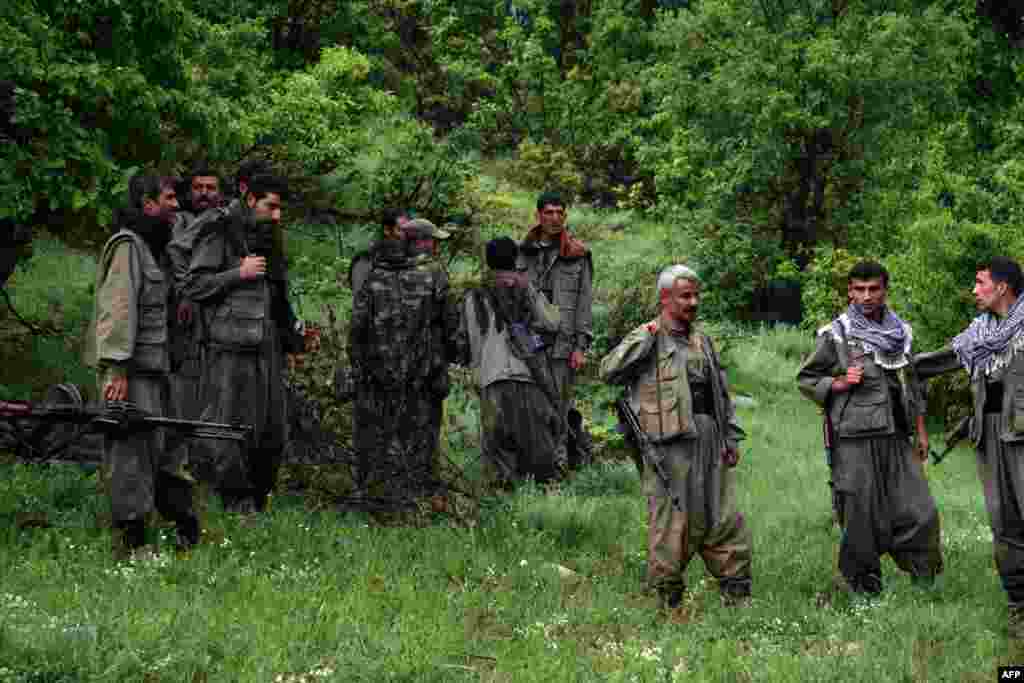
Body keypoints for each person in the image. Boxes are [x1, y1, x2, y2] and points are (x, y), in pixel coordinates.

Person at [600, 265, 751, 608]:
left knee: (723, 515)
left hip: (709, 438)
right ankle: (666, 597)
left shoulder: (702, 340)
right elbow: (608, 370)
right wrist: (646, 336)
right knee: (671, 520)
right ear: (665, 298)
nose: (693, 302)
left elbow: (720, 394)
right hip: (668, 447)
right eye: (685, 296)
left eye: (696, 295)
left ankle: (736, 591)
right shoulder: (648, 336)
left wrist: (730, 438)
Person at [797, 260, 943, 596]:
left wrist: (920, 430)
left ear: (884, 290)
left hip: (897, 437)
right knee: (861, 516)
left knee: (921, 510)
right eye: (859, 290)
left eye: (873, 289)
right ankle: (863, 588)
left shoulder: (900, 334)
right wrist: (837, 382)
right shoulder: (837, 333)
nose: (866, 296)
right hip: (854, 441)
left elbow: (912, 382)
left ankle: (925, 582)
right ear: (849, 291)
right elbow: (805, 379)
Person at [85, 174, 199, 555]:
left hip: (159, 369)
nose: (177, 206)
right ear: (147, 203)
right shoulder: (128, 248)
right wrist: (116, 369)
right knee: (131, 452)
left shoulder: (156, 249)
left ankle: (183, 531)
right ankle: (130, 543)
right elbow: (117, 309)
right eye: (168, 198)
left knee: (167, 450)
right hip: (131, 373)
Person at [915, 256, 1024, 637]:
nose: (974, 291)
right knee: (1003, 521)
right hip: (991, 435)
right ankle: (1018, 607)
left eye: (980, 283)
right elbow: (946, 358)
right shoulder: (980, 331)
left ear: (1002, 287)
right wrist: (899, 366)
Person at [183, 174, 305, 513]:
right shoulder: (220, 229)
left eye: (280, 208)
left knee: (272, 429)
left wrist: (291, 339)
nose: (277, 215)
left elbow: (278, 291)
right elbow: (194, 285)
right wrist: (238, 272)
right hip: (230, 349)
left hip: (267, 347)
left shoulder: (268, 236)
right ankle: (236, 502)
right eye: (272, 206)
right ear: (250, 199)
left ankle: (260, 498)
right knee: (228, 427)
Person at [348, 218, 452, 491]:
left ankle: (375, 491)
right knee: (421, 436)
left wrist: (359, 366)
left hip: (377, 372)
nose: (436, 246)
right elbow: (449, 324)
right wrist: (445, 360)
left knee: (376, 435)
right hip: (422, 373)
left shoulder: (375, 273)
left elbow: (357, 327)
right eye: (432, 241)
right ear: (418, 242)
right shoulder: (434, 274)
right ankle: (417, 493)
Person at [453, 237, 563, 484]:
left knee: (498, 453)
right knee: (537, 450)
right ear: (515, 258)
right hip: (527, 376)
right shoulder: (525, 287)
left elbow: (464, 342)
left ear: (488, 262)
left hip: (490, 379)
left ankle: (504, 501)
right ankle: (538, 501)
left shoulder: (474, 295)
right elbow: (553, 323)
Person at [519, 192, 593, 469]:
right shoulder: (522, 251)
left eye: (560, 212)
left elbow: (584, 302)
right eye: (549, 212)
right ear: (538, 215)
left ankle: (558, 466)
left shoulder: (577, 254)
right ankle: (532, 465)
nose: (555, 218)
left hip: (563, 345)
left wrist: (580, 346)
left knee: (560, 407)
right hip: (528, 343)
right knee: (530, 405)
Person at [167, 164, 226, 433]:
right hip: (188, 320)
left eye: (210, 188)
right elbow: (177, 251)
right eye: (198, 188)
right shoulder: (184, 221)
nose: (204, 193)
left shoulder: (223, 218)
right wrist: (186, 292)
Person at [348, 208, 411, 295]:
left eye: (408, 230)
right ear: (387, 230)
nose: (406, 235)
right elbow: (360, 301)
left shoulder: (411, 258)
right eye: (400, 230)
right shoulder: (364, 262)